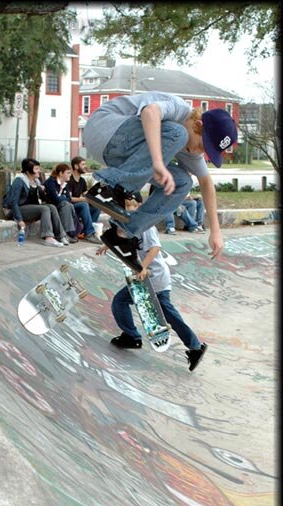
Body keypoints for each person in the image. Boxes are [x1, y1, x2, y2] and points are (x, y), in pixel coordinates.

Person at [83, 92, 238, 272]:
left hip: (119, 154)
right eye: (203, 146)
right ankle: (106, 188)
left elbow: (206, 183)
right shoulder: (178, 109)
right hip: (104, 129)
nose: (198, 153)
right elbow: (150, 112)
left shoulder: (191, 149)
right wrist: (158, 162)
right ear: (197, 125)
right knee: (177, 133)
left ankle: (122, 234)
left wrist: (216, 231)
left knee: (183, 183)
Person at [97, 193, 207, 371]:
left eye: (134, 205)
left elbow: (155, 248)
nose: (130, 209)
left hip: (154, 276)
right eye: (127, 206)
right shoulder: (128, 224)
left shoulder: (145, 226)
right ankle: (133, 336)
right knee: (123, 302)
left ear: (140, 207)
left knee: (164, 312)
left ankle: (194, 346)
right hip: (144, 277)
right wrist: (105, 246)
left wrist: (143, 267)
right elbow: (119, 238)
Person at [3, 158, 68, 247]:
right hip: (15, 210)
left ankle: (61, 236)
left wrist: (42, 191)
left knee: (51, 207)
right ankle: (48, 237)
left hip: (28, 208)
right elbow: (13, 202)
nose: (39, 171)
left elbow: (41, 200)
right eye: (36, 169)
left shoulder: (36, 182)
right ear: (28, 171)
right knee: (44, 208)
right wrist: (20, 220)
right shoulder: (19, 181)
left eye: (38, 168)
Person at [67, 156, 102, 244]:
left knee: (97, 206)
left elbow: (86, 194)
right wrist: (84, 199)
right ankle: (89, 233)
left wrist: (97, 197)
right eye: (83, 164)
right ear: (76, 166)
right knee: (84, 204)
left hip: (80, 207)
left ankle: (87, 231)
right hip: (70, 207)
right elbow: (69, 198)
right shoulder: (69, 180)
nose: (85, 166)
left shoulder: (82, 180)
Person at [43, 163, 80, 243]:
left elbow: (69, 199)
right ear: (61, 173)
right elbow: (56, 199)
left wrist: (62, 197)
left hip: (60, 206)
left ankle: (69, 234)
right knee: (66, 204)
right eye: (68, 173)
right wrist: (63, 197)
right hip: (50, 206)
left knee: (68, 204)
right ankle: (67, 234)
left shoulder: (65, 184)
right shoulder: (51, 182)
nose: (70, 175)